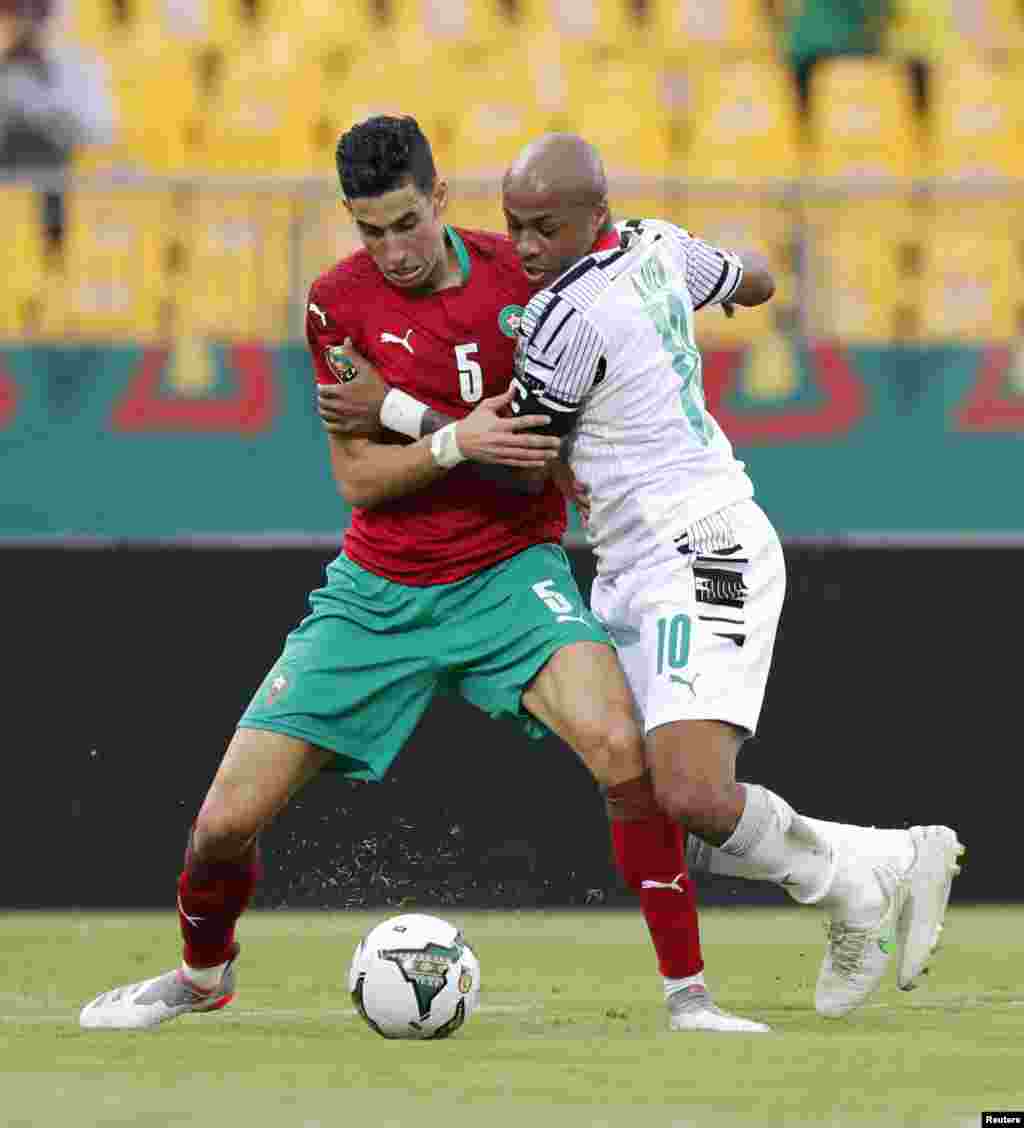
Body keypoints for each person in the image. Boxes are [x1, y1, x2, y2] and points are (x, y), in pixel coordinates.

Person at [78, 116, 764, 1035]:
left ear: (439, 199)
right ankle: (203, 975)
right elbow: (359, 478)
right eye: (370, 230)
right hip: (376, 590)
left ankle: (689, 995)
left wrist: (424, 421)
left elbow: (530, 458)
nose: (392, 250)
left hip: (511, 573)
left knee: (622, 753)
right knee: (220, 824)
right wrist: (450, 434)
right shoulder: (335, 304)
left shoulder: (521, 280)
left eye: (406, 223)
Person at [318, 132, 963, 1021]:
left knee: (691, 791)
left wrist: (387, 408)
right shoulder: (659, 244)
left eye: (548, 227)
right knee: (659, 797)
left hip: (703, 547)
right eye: (517, 228)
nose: (530, 247)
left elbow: (513, 464)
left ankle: (871, 876)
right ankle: (868, 877)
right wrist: (709, 303)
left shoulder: (560, 321)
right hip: (632, 563)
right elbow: (758, 281)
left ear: (596, 215)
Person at [0, 0, 115, 245]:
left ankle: (54, 253)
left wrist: (48, 119)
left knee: (52, 160)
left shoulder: (81, 68)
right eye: (14, 12)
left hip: (58, 174)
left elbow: (101, 132)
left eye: (37, 12)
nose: (25, 23)